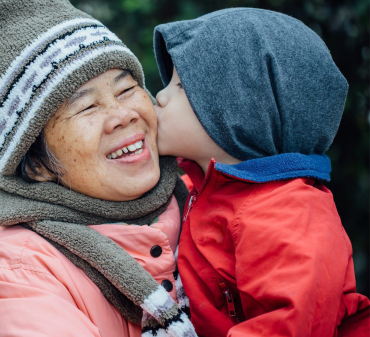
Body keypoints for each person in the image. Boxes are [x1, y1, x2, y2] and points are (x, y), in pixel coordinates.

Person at [0, 0, 198, 336]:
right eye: (86, 107)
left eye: (127, 89)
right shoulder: (16, 276)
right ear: (37, 163)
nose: (124, 115)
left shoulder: (211, 191)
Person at [152, 8, 370, 337]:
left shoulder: (289, 214)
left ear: (242, 111)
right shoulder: (196, 188)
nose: (160, 96)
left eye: (181, 86)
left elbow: (289, 324)